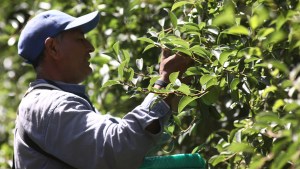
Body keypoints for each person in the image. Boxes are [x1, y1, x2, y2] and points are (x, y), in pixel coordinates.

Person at [14, 9, 191, 169]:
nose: (90, 47)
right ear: (53, 48)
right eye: (80, 39)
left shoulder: (44, 104)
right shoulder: (49, 105)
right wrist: (165, 82)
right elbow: (119, 148)